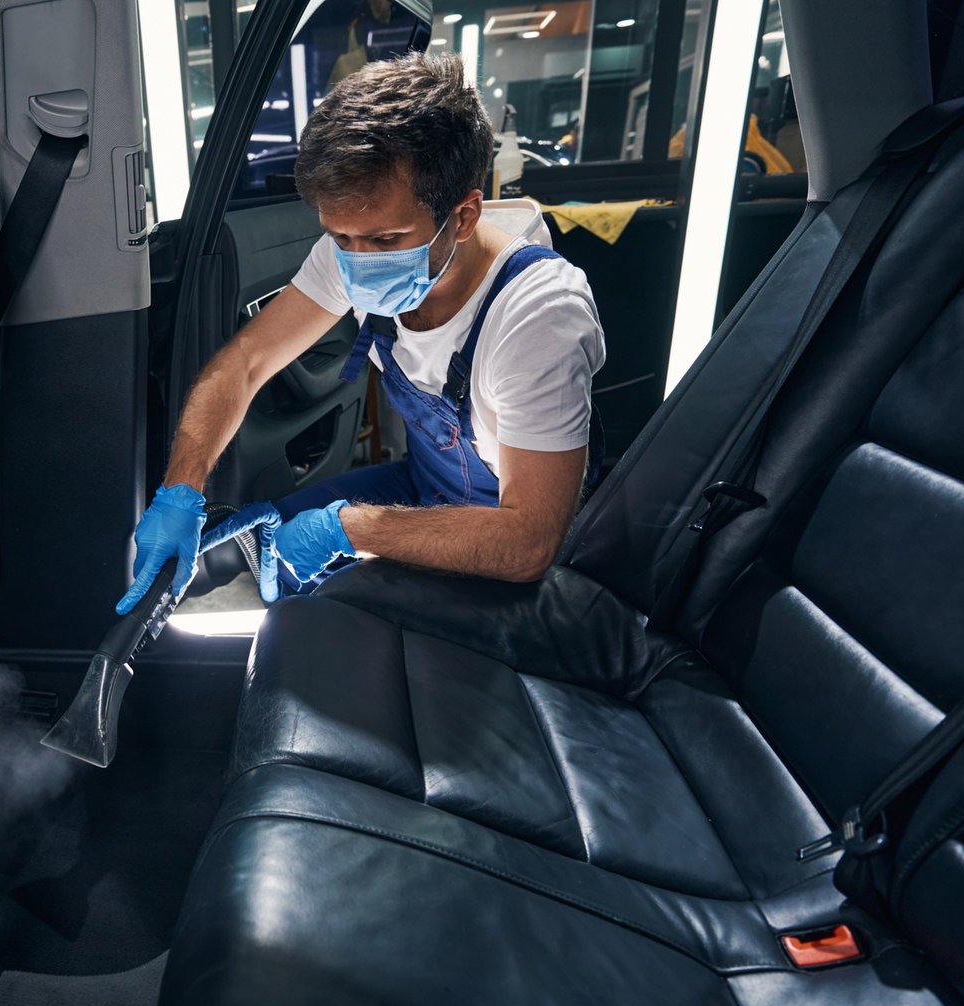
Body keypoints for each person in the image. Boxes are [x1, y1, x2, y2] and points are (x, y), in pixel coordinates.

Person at [115, 51, 605, 615]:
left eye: (385, 239)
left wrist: (349, 529)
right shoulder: (354, 247)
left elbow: (529, 544)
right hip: (427, 489)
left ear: (464, 217)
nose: (356, 261)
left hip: (513, 534)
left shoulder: (539, 315)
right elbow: (246, 361)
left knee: (334, 610)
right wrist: (182, 489)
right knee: (271, 560)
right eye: (339, 236)